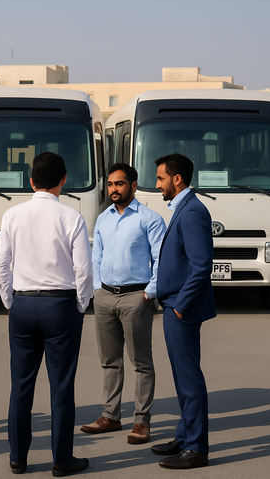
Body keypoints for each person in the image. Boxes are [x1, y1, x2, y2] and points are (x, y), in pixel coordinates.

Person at [0, 152, 93, 477]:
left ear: (31, 181)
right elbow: (84, 270)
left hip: (23, 304)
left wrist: (10, 301)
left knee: (20, 385)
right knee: (61, 386)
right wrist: (80, 305)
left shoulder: (12, 215)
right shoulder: (72, 217)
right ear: (63, 180)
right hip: (60, 306)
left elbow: (1, 266)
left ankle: (18, 458)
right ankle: (62, 460)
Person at [80, 163, 165, 445]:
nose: (113, 189)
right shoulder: (103, 218)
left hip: (135, 297)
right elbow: (96, 256)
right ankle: (110, 416)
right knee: (109, 361)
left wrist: (149, 293)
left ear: (133, 185)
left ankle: (141, 421)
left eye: (119, 184)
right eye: (110, 184)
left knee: (141, 362)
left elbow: (161, 260)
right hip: (105, 296)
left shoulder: (149, 219)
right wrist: (95, 290)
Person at [150, 153, 216, 470]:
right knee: (181, 376)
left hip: (181, 307)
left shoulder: (191, 212)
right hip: (175, 304)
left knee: (189, 379)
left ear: (177, 179)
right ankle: (185, 435)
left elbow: (202, 266)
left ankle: (196, 448)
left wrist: (180, 307)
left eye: (161, 178)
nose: (157, 184)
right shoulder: (185, 208)